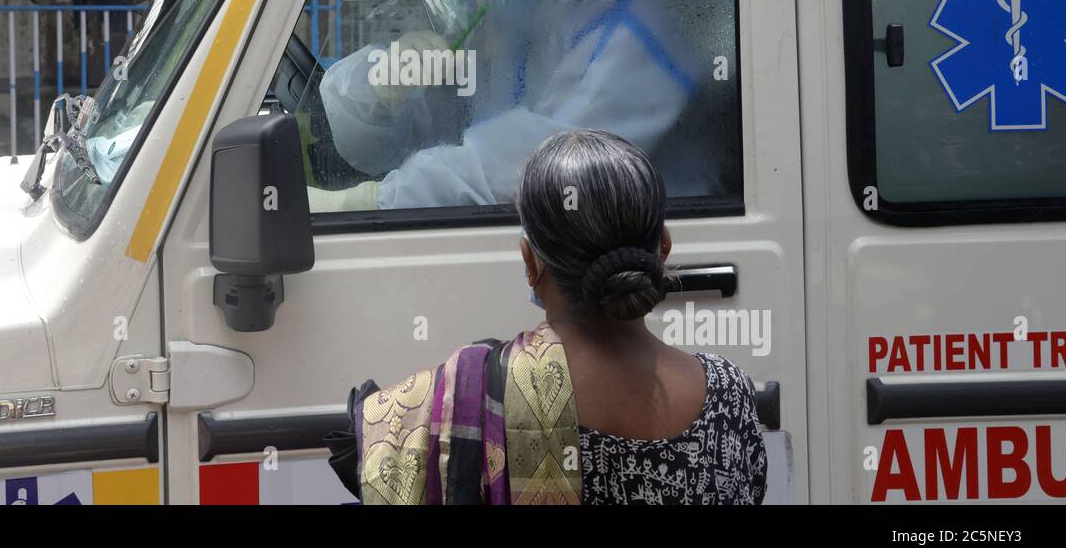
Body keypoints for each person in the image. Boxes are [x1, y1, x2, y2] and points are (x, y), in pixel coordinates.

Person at [326, 128, 768, 504]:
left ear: (530, 262)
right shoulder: (730, 396)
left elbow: (370, 443)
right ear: (664, 247)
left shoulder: (475, 394)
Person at [309, 0, 700, 211]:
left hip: (637, 271)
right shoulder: (522, 19)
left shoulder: (629, 20)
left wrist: (372, 202)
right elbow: (399, 140)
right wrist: (380, 90)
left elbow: (537, 167)